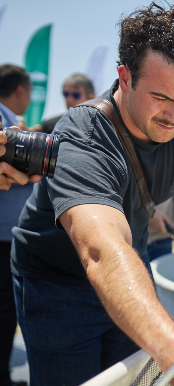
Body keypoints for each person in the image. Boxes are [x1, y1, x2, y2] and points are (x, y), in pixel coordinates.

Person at [10, 4, 174, 386]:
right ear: (125, 77)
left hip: (132, 264)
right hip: (57, 282)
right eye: (162, 97)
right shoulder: (85, 134)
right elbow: (101, 249)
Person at [0, 64, 34, 386]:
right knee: (5, 311)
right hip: (3, 240)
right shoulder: (4, 124)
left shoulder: (13, 124)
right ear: (21, 90)